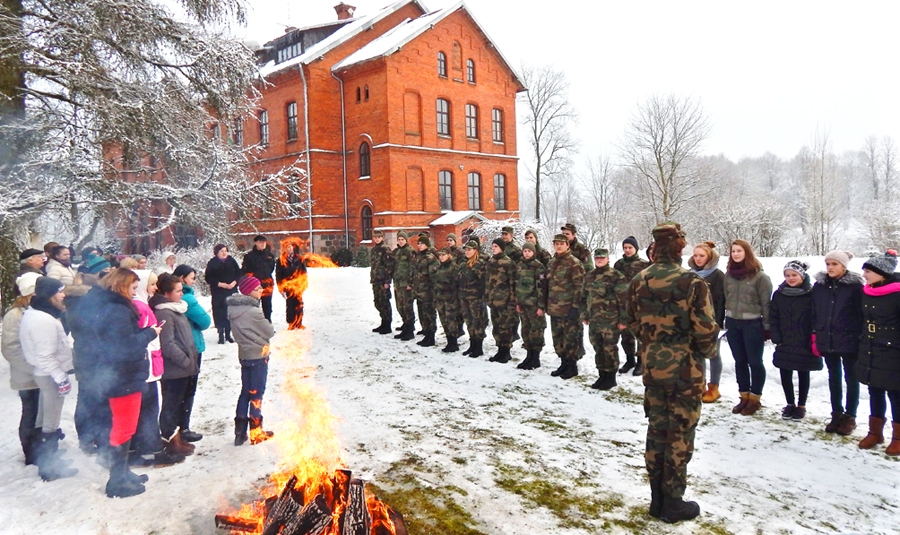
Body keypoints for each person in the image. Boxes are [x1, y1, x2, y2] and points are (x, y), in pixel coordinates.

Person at [626, 222, 718, 523]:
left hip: (653, 366)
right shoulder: (691, 283)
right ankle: (672, 502)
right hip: (684, 370)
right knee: (679, 434)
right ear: (679, 248)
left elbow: (634, 323)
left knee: (657, 430)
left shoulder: (639, 280)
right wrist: (707, 350)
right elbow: (705, 332)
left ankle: (657, 499)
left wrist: (655, 342)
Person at [86, 269, 161, 497]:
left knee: (125, 428)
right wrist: (150, 333)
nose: (134, 291)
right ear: (121, 285)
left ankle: (123, 472)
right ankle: (116, 482)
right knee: (123, 428)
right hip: (123, 378)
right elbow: (125, 347)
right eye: (132, 287)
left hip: (119, 376)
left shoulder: (110, 307)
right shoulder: (117, 311)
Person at [19, 276, 78, 481]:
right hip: (49, 375)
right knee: (49, 423)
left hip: (46, 374)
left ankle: (46, 461)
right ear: (50, 295)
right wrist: (60, 377)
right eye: (60, 292)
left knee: (44, 419)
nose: (63, 295)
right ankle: (49, 467)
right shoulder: (42, 319)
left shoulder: (39, 313)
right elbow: (45, 355)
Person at [130, 270, 185, 467]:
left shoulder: (143, 304)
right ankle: (152, 450)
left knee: (147, 409)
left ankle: (147, 446)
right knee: (148, 410)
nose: (155, 288)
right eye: (151, 284)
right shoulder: (140, 307)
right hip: (147, 366)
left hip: (149, 365)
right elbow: (142, 338)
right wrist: (154, 332)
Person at [811, 250, 864, 436]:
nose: (830, 268)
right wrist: (815, 333)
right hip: (827, 339)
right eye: (828, 264)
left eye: (834, 264)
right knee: (834, 377)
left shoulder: (855, 287)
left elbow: (861, 315)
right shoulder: (819, 286)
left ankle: (850, 416)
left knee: (851, 378)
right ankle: (836, 413)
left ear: (844, 266)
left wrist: (860, 338)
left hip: (849, 340)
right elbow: (814, 311)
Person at [150, 273, 200, 458]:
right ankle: (168, 442)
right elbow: (168, 343)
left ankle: (177, 439)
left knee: (180, 404)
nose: (181, 294)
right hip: (174, 370)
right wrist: (185, 361)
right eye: (178, 291)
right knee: (171, 405)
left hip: (184, 368)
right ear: (167, 293)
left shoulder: (176, 309)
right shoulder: (164, 312)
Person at [856, 251, 900, 455]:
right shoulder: (867, 291)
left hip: (892, 349)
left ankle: (898, 437)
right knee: (874, 389)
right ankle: (875, 432)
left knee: (895, 392)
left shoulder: (897, 293)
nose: (864, 275)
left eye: (868, 271)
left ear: (881, 273)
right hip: (870, 346)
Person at [724, 239, 773, 416]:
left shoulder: (760, 277)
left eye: (739, 251)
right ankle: (743, 396)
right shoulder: (728, 275)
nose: (736, 254)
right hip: (732, 322)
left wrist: (767, 327)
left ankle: (754, 399)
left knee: (755, 362)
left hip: (752, 324)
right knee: (740, 362)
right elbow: (725, 297)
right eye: (733, 251)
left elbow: (766, 304)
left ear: (747, 253)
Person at [770, 261, 821, 420]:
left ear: (802, 276)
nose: (791, 278)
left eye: (794, 275)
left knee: (803, 372)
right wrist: (776, 336)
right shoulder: (779, 294)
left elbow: (816, 316)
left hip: (804, 340)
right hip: (785, 339)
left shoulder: (811, 294)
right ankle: (790, 403)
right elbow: (774, 316)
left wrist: (813, 336)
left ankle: (801, 405)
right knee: (785, 371)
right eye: (787, 275)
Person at [228, 276, 276, 445]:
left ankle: (240, 431)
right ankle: (256, 430)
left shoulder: (234, 309)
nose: (261, 290)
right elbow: (269, 331)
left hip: (244, 354)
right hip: (258, 354)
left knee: (246, 391)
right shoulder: (253, 311)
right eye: (257, 289)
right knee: (257, 393)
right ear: (249, 292)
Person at [2, 272, 42, 465]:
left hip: (41, 374)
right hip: (27, 376)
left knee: (41, 412)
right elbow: (10, 348)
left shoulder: (37, 311)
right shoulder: (15, 315)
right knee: (31, 412)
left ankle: (43, 449)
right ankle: (31, 452)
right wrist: (31, 368)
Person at [171, 264, 212, 443]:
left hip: (179, 347)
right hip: (192, 345)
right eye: (192, 278)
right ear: (182, 278)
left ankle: (176, 427)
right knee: (188, 389)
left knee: (178, 390)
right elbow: (204, 321)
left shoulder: (172, 298)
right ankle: (183, 427)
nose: (193, 281)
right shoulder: (188, 299)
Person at [583, 248, 628, 390]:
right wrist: (585, 314)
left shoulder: (616, 276)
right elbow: (585, 297)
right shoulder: (590, 276)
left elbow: (623, 300)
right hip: (595, 320)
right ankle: (602, 374)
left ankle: (611, 377)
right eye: (597, 258)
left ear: (608, 259)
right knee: (598, 347)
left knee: (609, 348)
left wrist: (623, 320)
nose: (600, 260)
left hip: (611, 320)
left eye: (602, 258)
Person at [688, 241, 726, 403]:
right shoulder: (689, 274)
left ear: (709, 257)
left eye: (701, 256)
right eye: (695, 255)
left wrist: (716, 324)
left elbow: (721, 302)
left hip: (711, 322)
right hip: (693, 322)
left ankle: (714, 387)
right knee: (697, 354)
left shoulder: (718, 276)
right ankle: (700, 385)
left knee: (713, 354)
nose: (698, 259)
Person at [546, 234, 586, 379]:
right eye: (556, 244)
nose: (558, 246)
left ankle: (572, 366)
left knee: (570, 339)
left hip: (569, 309)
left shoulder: (574, 263)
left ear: (567, 245)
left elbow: (579, 287)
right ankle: (563, 363)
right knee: (558, 339)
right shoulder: (552, 262)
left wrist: (576, 307)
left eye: (561, 244)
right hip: (554, 308)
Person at [614, 236, 650, 375]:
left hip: (639, 305)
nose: (627, 250)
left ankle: (641, 362)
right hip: (623, 305)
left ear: (636, 249)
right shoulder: (618, 264)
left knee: (640, 335)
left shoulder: (643, 265)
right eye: (625, 248)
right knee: (625, 335)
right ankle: (630, 360)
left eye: (630, 247)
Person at [515, 242, 547, 370]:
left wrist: (541, 306)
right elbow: (517, 286)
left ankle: (535, 358)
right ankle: (528, 356)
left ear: (533, 252)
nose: (527, 253)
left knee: (536, 331)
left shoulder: (538, 267)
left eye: (529, 251)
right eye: (525, 251)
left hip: (534, 306)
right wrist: (518, 302)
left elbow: (541, 288)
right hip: (523, 305)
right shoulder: (520, 265)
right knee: (526, 330)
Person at [485, 238, 517, 363]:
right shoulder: (491, 261)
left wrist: (512, 301)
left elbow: (513, 284)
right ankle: (500, 350)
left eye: (496, 246)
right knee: (497, 327)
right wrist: (488, 296)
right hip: (494, 301)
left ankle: (506, 351)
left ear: (502, 248)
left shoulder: (508, 263)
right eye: (492, 246)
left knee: (505, 327)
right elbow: (488, 282)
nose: (493, 248)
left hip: (505, 301)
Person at [205, 244, 241, 343]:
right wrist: (221, 284)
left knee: (230, 311)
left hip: (231, 290)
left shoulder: (231, 261)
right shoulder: (212, 263)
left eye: (225, 250)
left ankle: (228, 334)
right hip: (219, 291)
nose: (224, 253)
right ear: (217, 252)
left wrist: (234, 282)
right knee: (219, 312)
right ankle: (221, 334)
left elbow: (239, 273)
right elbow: (208, 278)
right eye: (222, 251)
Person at [458, 240, 488, 358]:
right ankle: (472, 344)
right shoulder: (463, 263)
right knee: (469, 321)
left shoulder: (479, 264)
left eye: (469, 250)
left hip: (476, 298)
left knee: (478, 321)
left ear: (475, 250)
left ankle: (478, 347)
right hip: (465, 297)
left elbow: (483, 281)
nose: (467, 252)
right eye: (465, 250)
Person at [411, 236, 439, 347]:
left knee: (429, 313)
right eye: (418, 243)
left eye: (422, 243)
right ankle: (426, 334)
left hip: (428, 291)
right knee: (423, 313)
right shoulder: (418, 257)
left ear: (427, 245)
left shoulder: (430, 258)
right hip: (419, 291)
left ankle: (431, 336)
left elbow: (433, 276)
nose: (419, 246)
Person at [241, 236, 276, 322]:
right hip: (254, 286)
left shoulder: (270, 256)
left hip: (267, 284)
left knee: (267, 306)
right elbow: (245, 271)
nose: (263, 244)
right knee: (254, 307)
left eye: (264, 242)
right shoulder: (249, 256)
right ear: (256, 243)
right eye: (260, 242)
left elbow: (271, 268)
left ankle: (267, 324)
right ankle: (255, 326)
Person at [276, 238, 309, 330]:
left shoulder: (299, 259)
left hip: (298, 285)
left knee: (299, 304)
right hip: (287, 286)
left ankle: (299, 322)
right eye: (287, 247)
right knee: (290, 304)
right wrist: (280, 287)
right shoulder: (281, 260)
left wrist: (304, 284)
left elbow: (304, 272)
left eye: (290, 247)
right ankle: (291, 322)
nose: (289, 249)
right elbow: (278, 274)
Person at [433, 248, 460, 352]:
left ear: (449, 255)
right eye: (440, 255)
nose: (441, 257)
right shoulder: (440, 266)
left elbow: (455, 284)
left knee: (451, 320)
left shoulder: (453, 267)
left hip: (450, 299)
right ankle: (449, 341)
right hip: (440, 298)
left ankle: (454, 342)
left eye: (443, 255)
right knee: (443, 320)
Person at [369, 230, 395, 334]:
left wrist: (387, 281)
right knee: (378, 302)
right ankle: (383, 322)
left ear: (382, 238)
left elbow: (390, 265)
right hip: (376, 280)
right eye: (375, 237)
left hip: (383, 280)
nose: (377, 239)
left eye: (379, 237)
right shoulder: (374, 249)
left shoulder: (385, 249)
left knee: (385, 302)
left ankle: (387, 325)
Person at [392, 232, 416, 341]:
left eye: (402, 239)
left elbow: (413, 268)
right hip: (398, 284)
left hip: (407, 285)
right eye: (399, 239)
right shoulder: (397, 252)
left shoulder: (410, 251)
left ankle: (410, 330)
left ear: (406, 240)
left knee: (407, 308)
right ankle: (405, 327)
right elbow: (395, 269)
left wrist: (410, 283)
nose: (400, 241)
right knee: (400, 306)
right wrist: (395, 284)